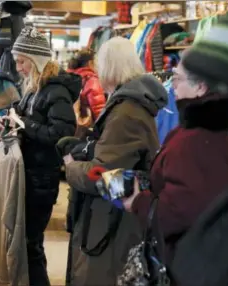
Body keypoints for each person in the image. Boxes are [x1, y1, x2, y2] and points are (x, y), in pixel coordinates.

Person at [122, 2, 228, 280]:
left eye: (177, 80)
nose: (172, 88)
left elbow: (186, 210)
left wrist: (141, 203)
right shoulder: (215, 129)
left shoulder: (200, 137)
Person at [63, 37, 168, 285]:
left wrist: (71, 166)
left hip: (113, 220)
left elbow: (103, 175)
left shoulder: (126, 111)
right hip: (118, 215)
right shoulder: (132, 105)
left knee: (103, 275)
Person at [0, 27, 81, 286]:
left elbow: (62, 135)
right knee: (27, 242)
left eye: (21, 61)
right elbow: (20, 116)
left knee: (31, 244)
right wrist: (5, 121)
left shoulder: (55, 91)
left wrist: (24, 125)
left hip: (41, 177)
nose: (18, 67)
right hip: (29, 174)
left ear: (36, 60)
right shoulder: (35, 88)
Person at [67, 48, 106, 137]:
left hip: (71, 128)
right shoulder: (92, 81)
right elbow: (99, 112)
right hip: (86, 131)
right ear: (90, 63)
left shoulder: (70, 77)